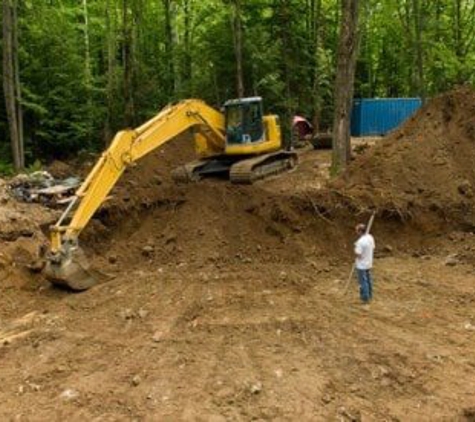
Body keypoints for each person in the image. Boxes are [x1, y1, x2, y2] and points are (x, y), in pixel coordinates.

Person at [354, 223, 375, 304]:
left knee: (363, 282)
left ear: (360, 231)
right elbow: (372, 247)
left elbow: (358, 254)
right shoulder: (370, 237)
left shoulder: (360, 242)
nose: (356, 232)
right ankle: (370, 295)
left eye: (356, 230)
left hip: (361, 265)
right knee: (368, 280)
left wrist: (355, 249)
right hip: (369, 262)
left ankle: (365, 298)